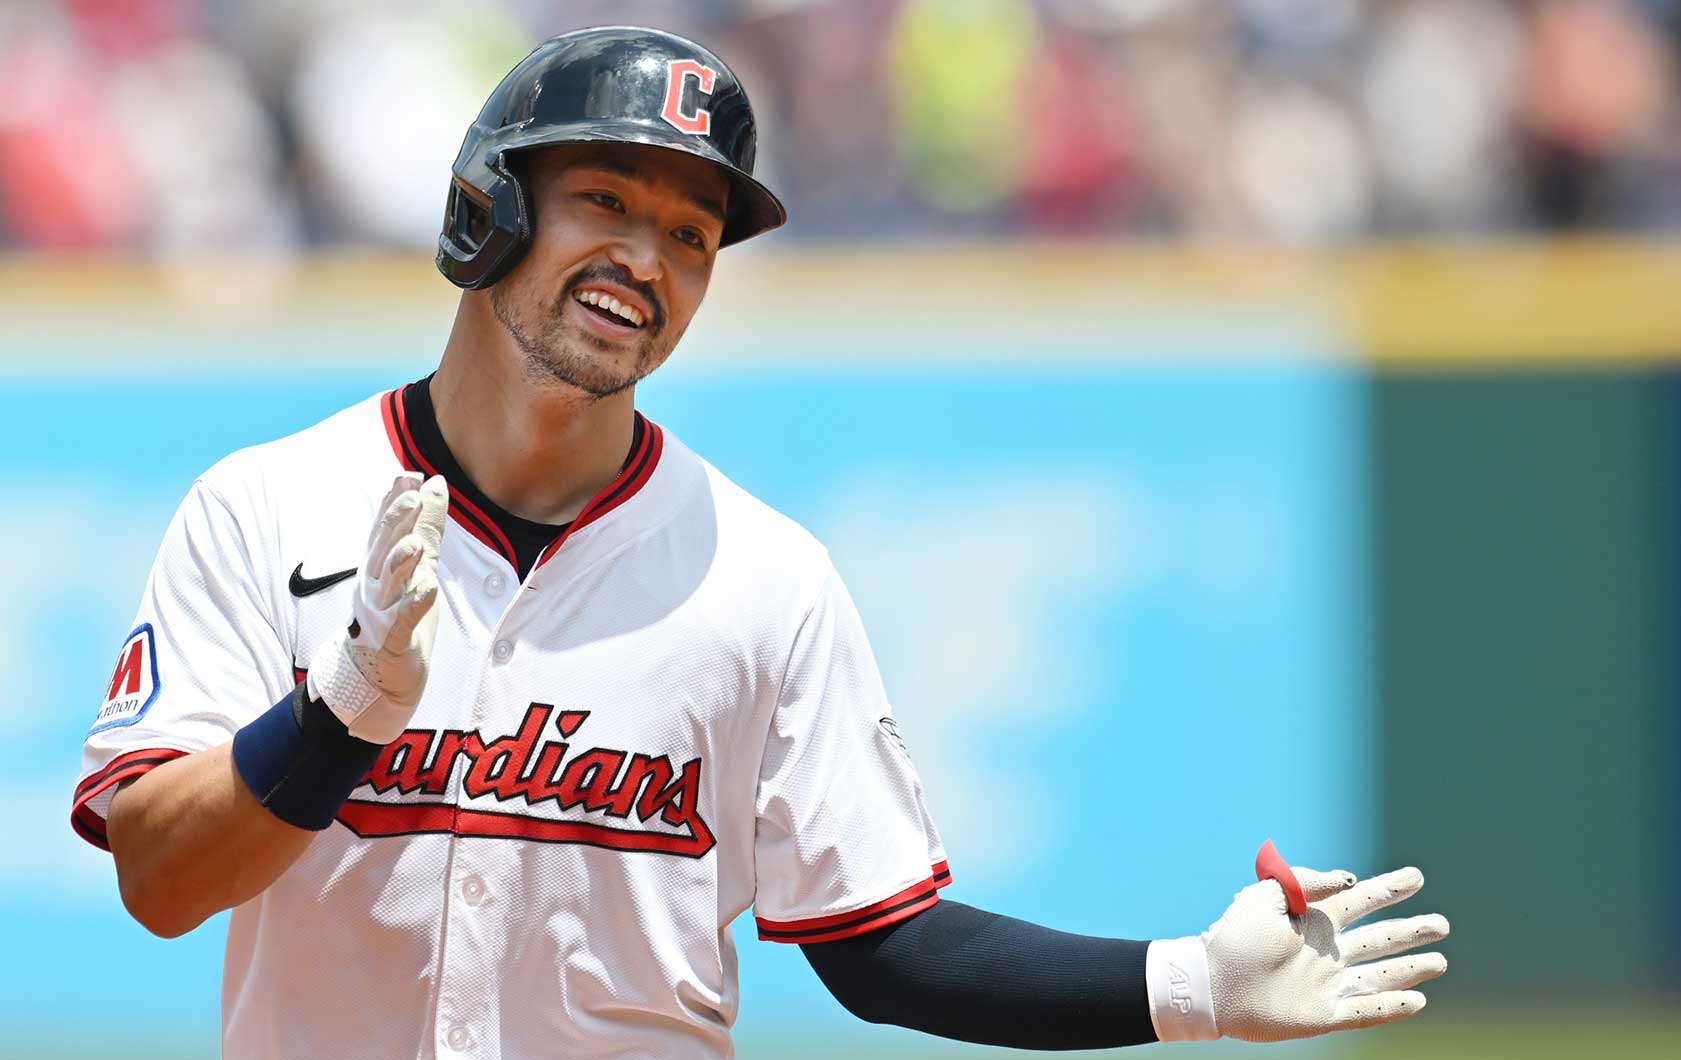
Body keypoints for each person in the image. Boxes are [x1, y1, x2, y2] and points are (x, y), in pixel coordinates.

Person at [70, 25, 1448, 1060]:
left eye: (690, 230)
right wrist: (340, 712)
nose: (649, 259)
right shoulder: (266, 507)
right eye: (605, 199)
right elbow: (158, 877)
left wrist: (1186, 983)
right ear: (488, 207)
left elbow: (881, 941)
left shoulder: (763, 576)